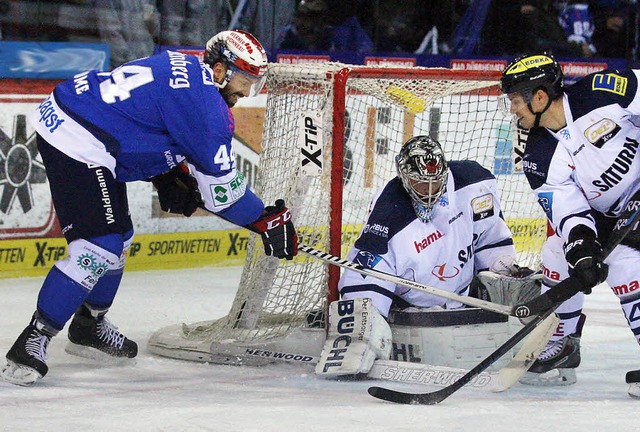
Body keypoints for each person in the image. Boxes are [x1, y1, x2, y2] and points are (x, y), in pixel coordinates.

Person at [0, 29, 298, 386]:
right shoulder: (207, 108)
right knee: (98, 247)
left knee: (120, 239)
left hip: (78, 120)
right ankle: (34, 339)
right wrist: (266, 220)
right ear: (219, 70)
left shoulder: (183, 66)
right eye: (245, 80)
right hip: (77, 138)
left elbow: (140, 117)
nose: (247, 92)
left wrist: (167, 173)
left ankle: (89, 325)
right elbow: (225, 196)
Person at [315, 135, 525, 377]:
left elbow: (490, 234)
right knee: (367, 304)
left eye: (435, 182)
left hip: (463, 302)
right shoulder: (390, 211)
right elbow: (366, 272)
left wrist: (501, 271)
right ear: (404, 178)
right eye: (419, 183)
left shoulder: (474, 184)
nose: (428, 191)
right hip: (413, 313)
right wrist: (361, 331)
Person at [500, 52, 640, 396]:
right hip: (618, 214)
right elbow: (570, 212)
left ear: (540, 97)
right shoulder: (537, 154)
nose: (513, 110)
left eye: (516, 100)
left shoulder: (604, 92)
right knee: (557, 252)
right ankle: (562, 345)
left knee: (624, 264)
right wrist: (584, 250)